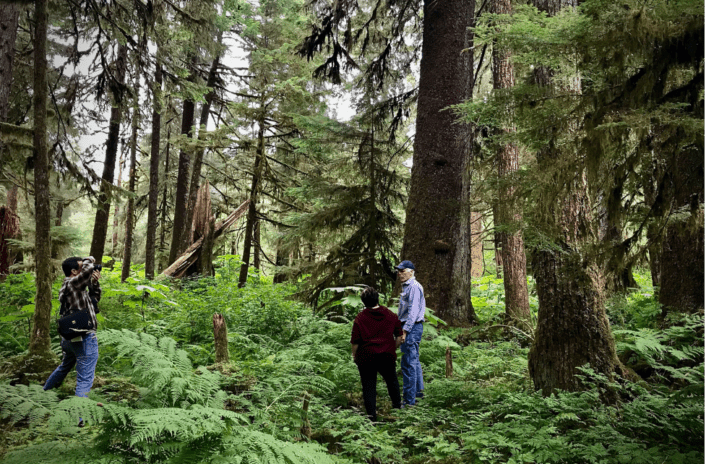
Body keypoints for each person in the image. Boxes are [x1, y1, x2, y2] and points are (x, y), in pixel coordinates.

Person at [43, 256, 102, 426]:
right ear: (74, 272)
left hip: (70, 339)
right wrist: (89, 259)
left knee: (64, 367)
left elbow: (94, 300)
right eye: (82, 267)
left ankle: (44, 394)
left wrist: (95, 283)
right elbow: (85, 274)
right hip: (84, 338)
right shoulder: (71, 283)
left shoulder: (75, 288)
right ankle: (79, 418)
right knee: (85, 379)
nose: (86, 269)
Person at [350, 287, 404, 422]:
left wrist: (354, 355)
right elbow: (399, 336)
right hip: (387, 355)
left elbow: (355, 341)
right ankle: (398, 409)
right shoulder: (390, 315)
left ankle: (371, 418)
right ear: (378, 299)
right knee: (392, 381)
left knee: (368, 386)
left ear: (363, 302)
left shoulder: (360, 318)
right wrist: (392, 347)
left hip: (366, 356)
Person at [395, 260, 425, 406]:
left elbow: (412, 312)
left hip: (411, 327)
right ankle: (418, 396)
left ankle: (409, 402)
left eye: (403, 270)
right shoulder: (407, 287)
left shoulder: (413, 287)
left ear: (411, 271)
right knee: (414, 362)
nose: (400, 273)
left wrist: (405, 331)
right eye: (399, 271)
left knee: (408, 364)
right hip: (411, 326)